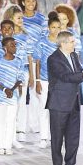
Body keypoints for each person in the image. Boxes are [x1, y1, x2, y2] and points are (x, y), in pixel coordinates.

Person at [47, 31, 83, 165]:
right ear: (63, 43)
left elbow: (78, 76)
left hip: (74, 103)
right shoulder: (53, 59)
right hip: (59, 104)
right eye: (72, 41)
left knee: (73, 138)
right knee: (57, 138)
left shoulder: (74, 55)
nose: (74, 43)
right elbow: (65, 77)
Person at [0, 37, 25, 156]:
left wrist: (12, 90)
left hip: (12, 97)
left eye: (15, 45)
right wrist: (4, 89)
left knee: (11, 121)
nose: (14, 47)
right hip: (0, 96)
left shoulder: (19, 61)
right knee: (1, 121)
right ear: (5, 48)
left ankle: (8, 146)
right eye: (11, 45)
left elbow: (20, 79)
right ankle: (1, 145)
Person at [2, 5, 33, 142]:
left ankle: (20, 130)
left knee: (21, 100)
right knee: (9, 101)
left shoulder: (26, 37)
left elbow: (30, 57)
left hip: (23, 72)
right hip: (8, 73)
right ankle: (8, 129)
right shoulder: (5, 37)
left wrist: (32, 75)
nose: (21, 20)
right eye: (18, 18)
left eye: (22, 17)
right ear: (10, 19)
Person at [18, 0, 46, 134]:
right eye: (28, 1)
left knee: (35, 92)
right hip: (21, 60)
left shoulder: (41, 19)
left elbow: (45, 38)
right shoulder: (18, 18)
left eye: (33, 1)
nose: (31, 4)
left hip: (36, 60)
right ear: (23, 2)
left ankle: (34, 124)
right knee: (21, 93)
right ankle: (19, 126)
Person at [33, 12, 61, 149]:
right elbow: (37, 62)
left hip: (59, 82)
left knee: (57, 111)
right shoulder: (41, 43)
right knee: (44, 109)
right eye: (53, 27)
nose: (56, 30)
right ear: (49, 28)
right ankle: (44, 137)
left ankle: (56, 138)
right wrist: (37, 80)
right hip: (44, 80)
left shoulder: (63, 43)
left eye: (58, 27)